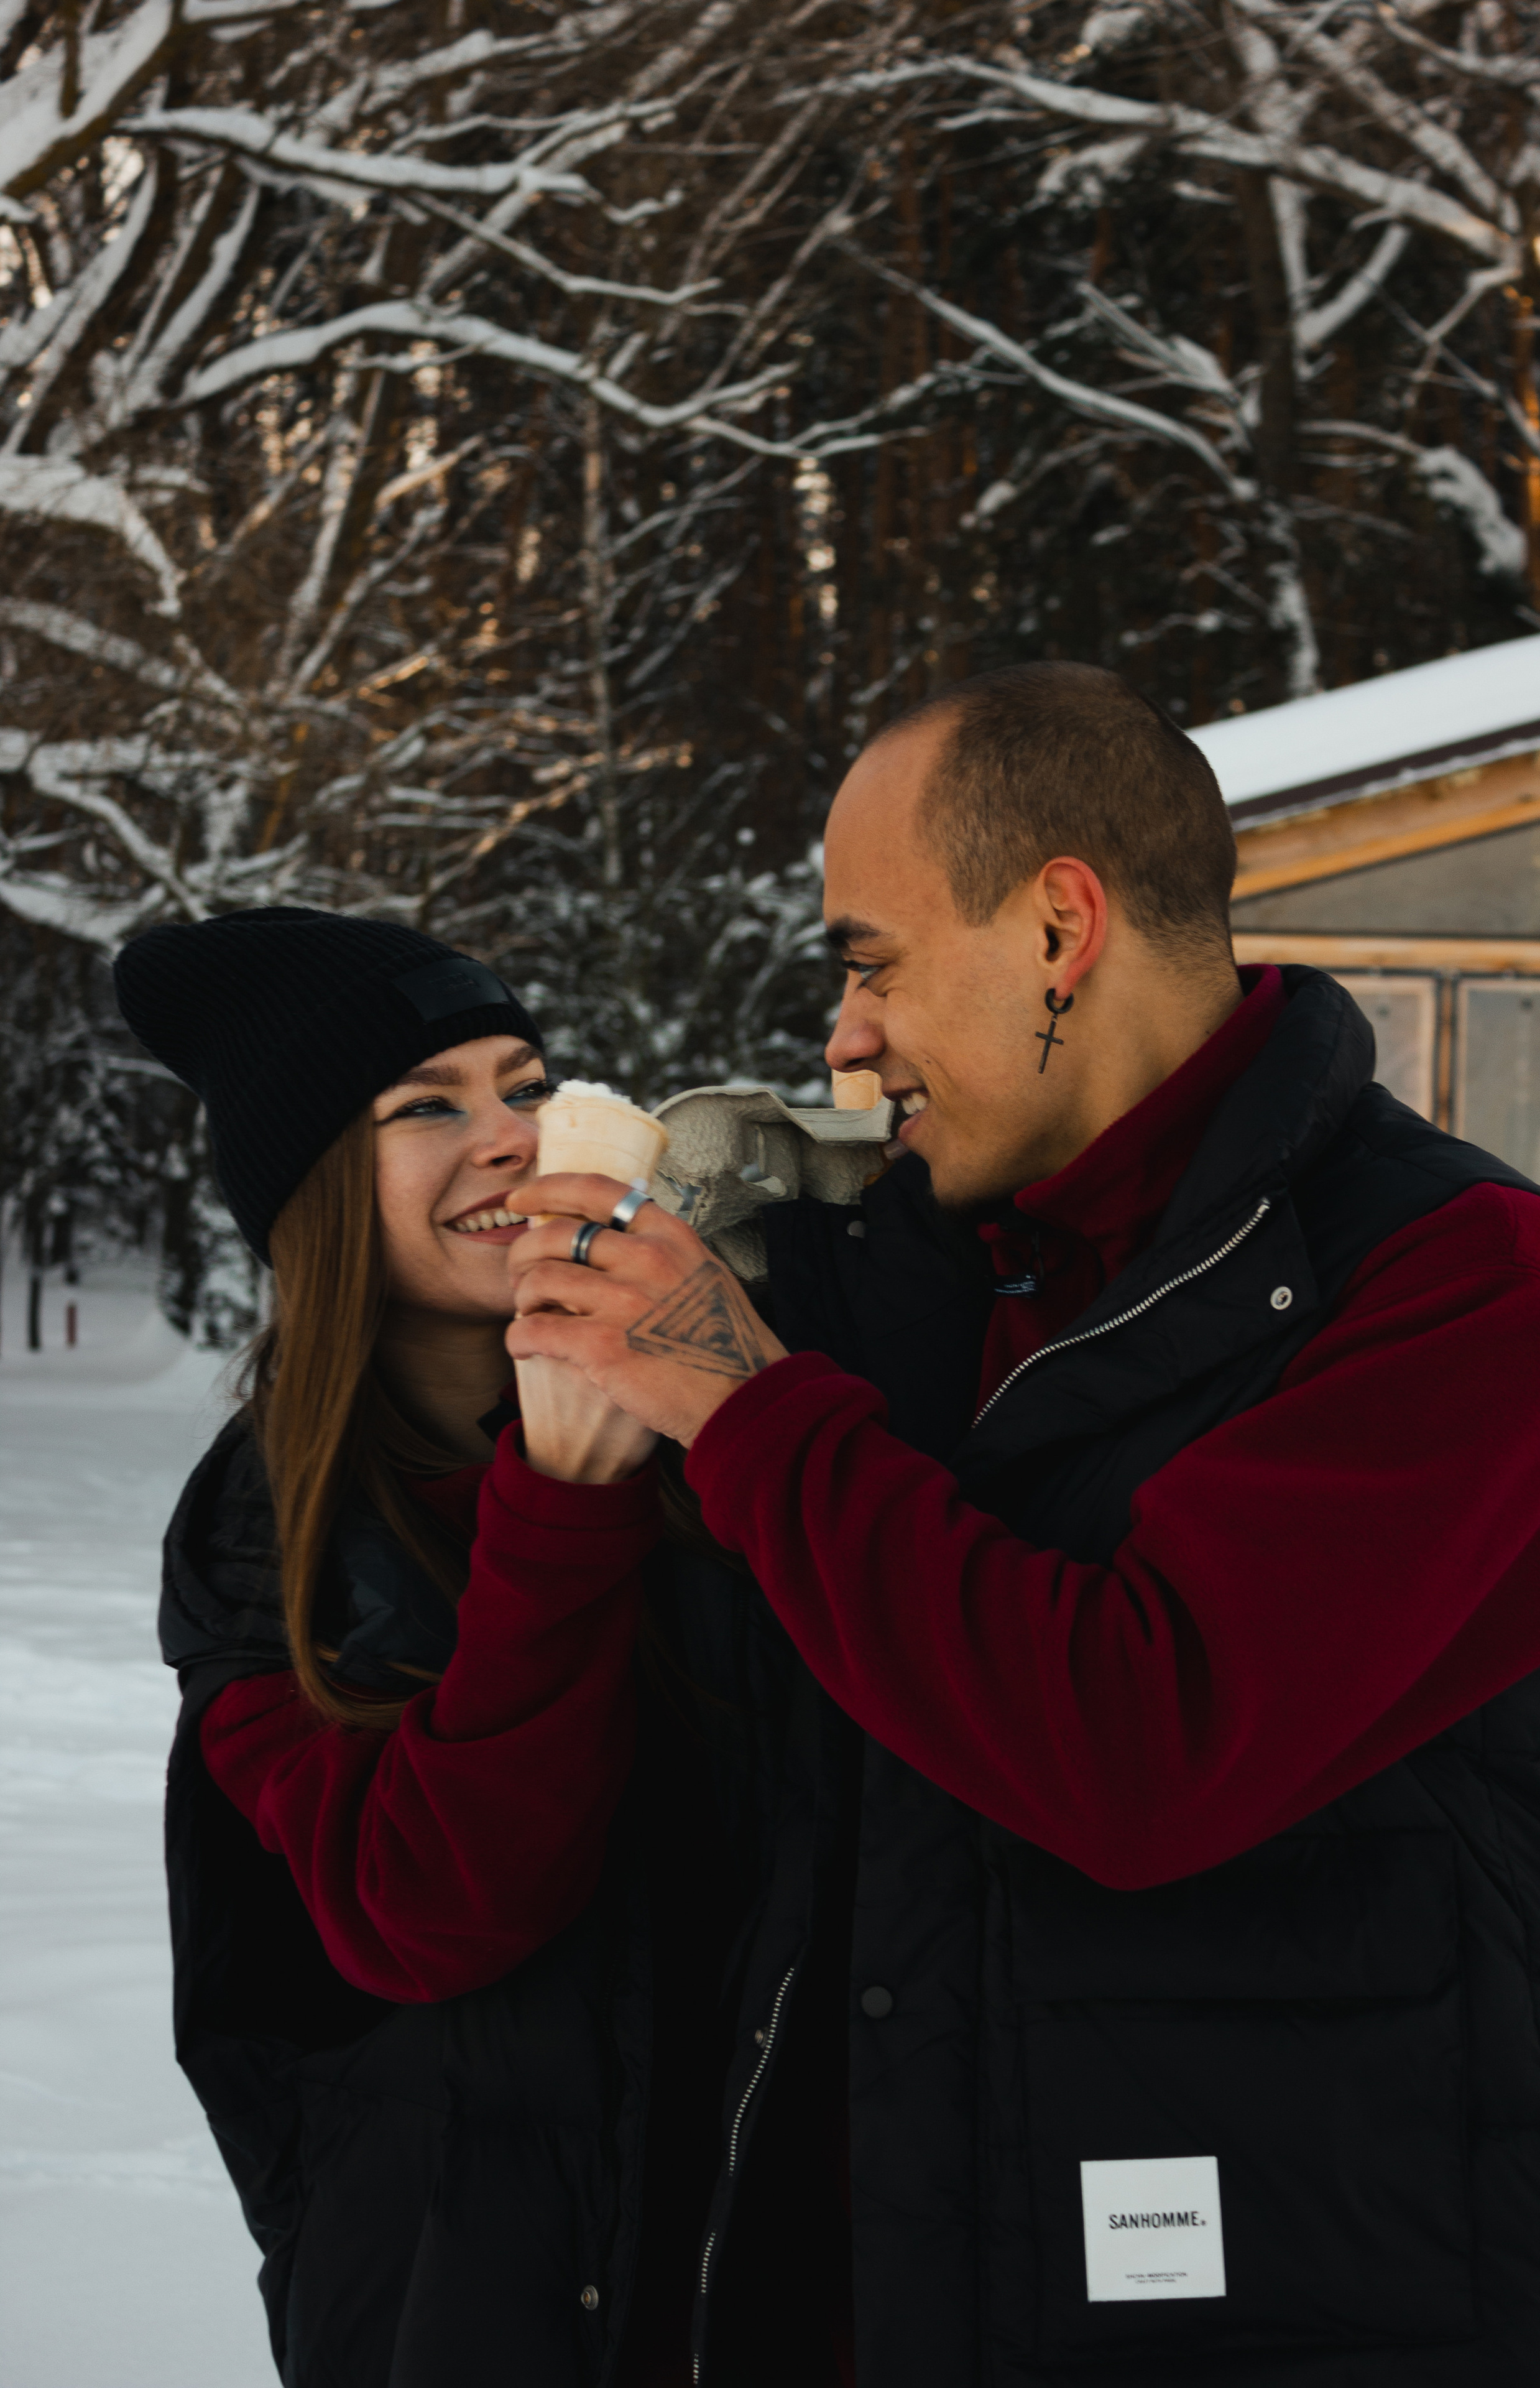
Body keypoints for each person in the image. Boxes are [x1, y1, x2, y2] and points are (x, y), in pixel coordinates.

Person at [512, 662, 1540, 2387]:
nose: (842, 1037)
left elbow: (1137, 1745)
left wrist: (744, 1399)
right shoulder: (936, 1278)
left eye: (871, 962)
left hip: (1328, 2322)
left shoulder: (1476, 1299)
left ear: (1061, 929)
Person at [119, 909, 858, 2388]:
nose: (510, 1138)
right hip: (465, 2301)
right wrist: (563, 1502)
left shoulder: (714, 1415)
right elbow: (429, 1912)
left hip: (776, 2274)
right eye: (425, 1107)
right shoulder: (260, 1534)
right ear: (315, 1185)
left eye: (522, 1083)